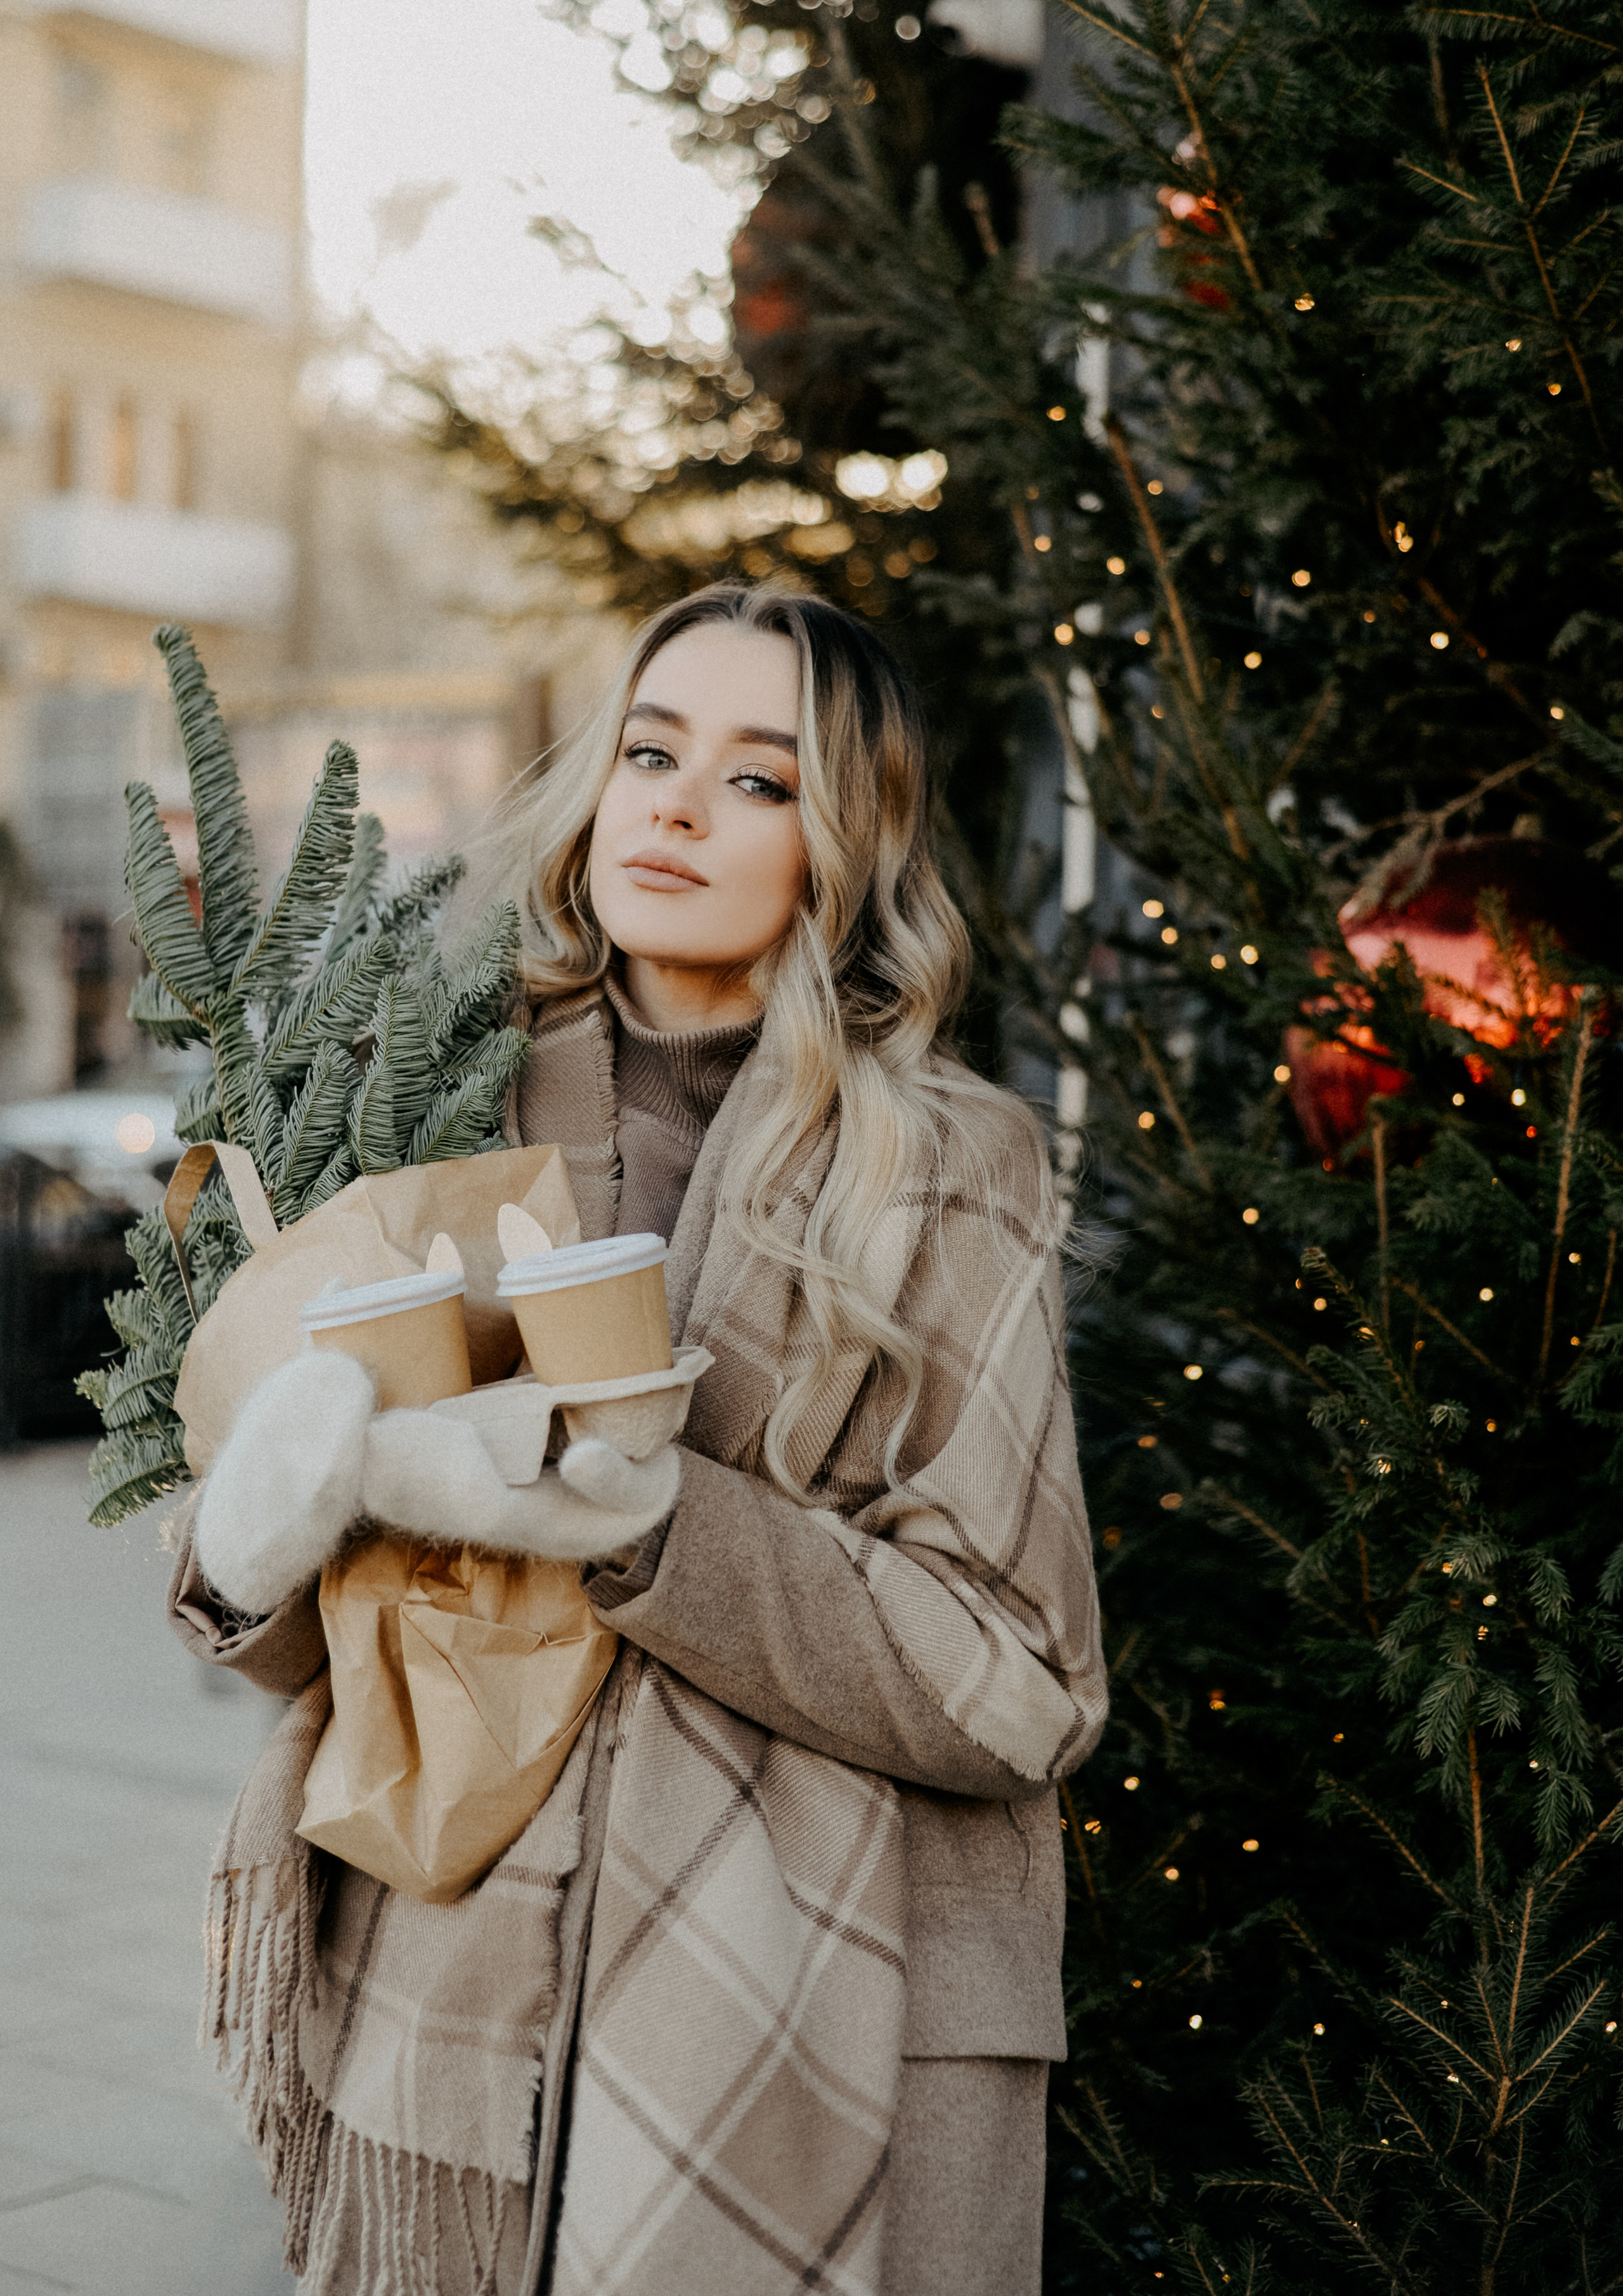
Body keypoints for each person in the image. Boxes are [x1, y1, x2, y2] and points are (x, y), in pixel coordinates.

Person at [167, 582, 1106, 2296]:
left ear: (847, 844)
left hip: (815, 2002)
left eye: (760, 777)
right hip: (447, 1994)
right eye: (651, 749)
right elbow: (351, 1633)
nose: (675, 802)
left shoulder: (953, 1164)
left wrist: (657, 1527)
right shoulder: (435, 1096)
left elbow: (1024, 1672)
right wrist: (253, 1536)